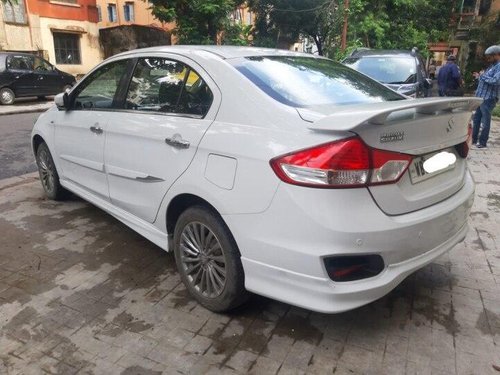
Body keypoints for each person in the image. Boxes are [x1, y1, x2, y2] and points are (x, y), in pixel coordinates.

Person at [472, 45, 500, 149]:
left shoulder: (499, 66)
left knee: (485, 121)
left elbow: (496, 81)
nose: (488, 59)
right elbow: (485, 79)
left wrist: (482, 76)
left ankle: (482, 142)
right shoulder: (492, 66)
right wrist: (479, 76)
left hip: (489, 98)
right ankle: (474, 140)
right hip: (481, 97)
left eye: (490, 57)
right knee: (476, 119)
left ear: (496, 55)